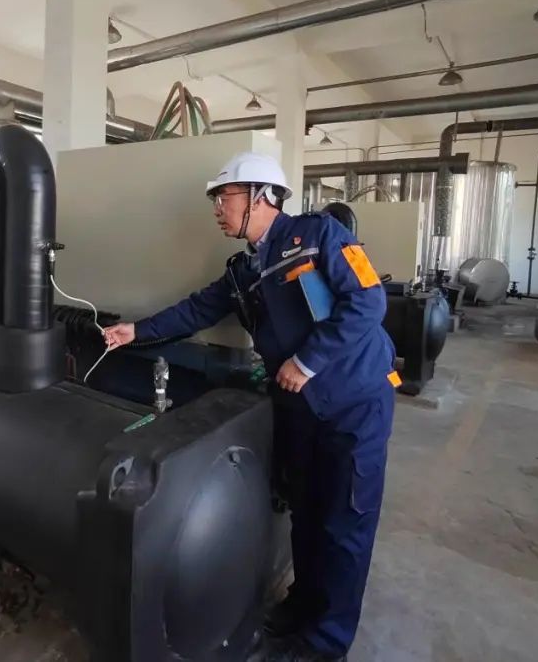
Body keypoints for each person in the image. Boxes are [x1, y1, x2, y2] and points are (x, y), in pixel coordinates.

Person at [103, 152, 398, 662]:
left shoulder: (320, 236)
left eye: (226, 197)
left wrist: (307, 361)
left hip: (354, 401)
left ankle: (327, 642)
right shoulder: (245, 269)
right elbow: (196, 310)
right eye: (217, 200)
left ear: (262, 197)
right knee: (308, 513)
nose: (218, 209)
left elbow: (369, 302)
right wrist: (137, 331)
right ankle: (303, 606)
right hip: (300, 406)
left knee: (344, 522)